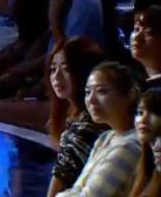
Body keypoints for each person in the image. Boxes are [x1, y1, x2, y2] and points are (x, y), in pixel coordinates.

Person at [57, 62, 141, 196]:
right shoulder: (106, 137)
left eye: (102, 91)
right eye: (88, 92)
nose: (91, 100)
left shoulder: (130, 145)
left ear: (129, 95)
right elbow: (77, 189)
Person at [46, 37, 107, 196]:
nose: (56, 76)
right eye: (53, 69)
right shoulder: (70, 115)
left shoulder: (87, 126)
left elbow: (61, 179)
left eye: (66, 69)